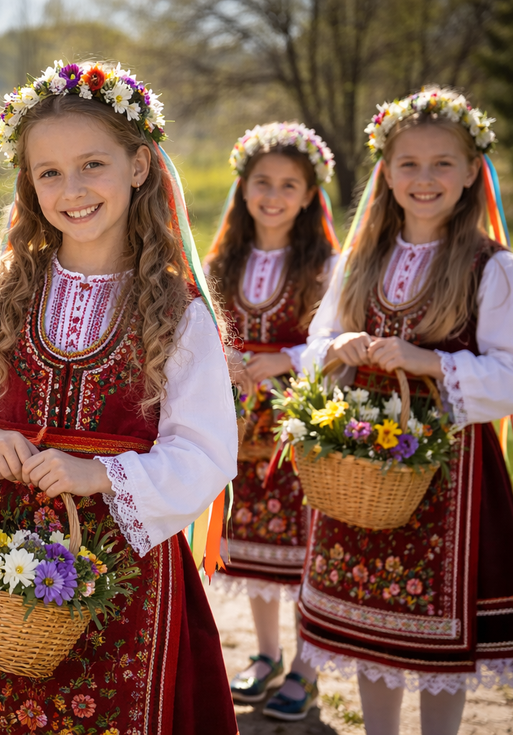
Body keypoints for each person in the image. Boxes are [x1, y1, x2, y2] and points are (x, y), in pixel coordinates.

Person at [0, 60, 239, 735]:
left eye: (92, 163)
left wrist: (99, 473)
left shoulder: (179, 313)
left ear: (140, 165)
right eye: (50, 172)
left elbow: (206, 450)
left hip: (125, 569)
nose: (73, 189)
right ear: (29, 184)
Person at [300, 88, 513, 735]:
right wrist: (337, 345)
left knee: (439, 639)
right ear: (386, 173)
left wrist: (422, 361)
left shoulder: (491, 267)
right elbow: (314, 346)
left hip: (449, 475)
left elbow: (508, 376)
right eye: (409, 164)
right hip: (362, 466)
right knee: (369, 618)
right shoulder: (361, 259)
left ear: (472, 169)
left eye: (442, 163)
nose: (424, 178)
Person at [206, 122, 340, 720]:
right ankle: (264, 654)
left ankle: (306, 666)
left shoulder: (323, 265)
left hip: (295, 420)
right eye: (263, 182)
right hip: (238, 421)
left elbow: (333, 342)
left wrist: (281, 359)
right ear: (244, 187)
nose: (274, 195)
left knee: (304, 543)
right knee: (253, 540)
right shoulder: (222, 260)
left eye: (289, 184)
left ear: (310, 194)